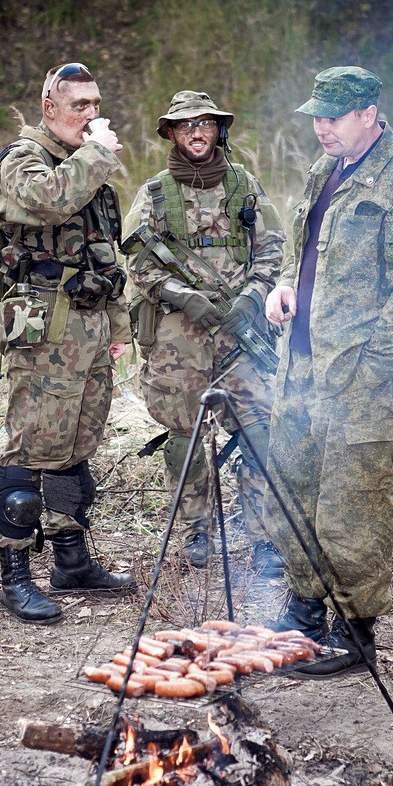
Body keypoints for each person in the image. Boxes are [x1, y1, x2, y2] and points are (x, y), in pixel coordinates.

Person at [263, 66, 393, 677]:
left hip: (358, 380)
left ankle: (353, 630)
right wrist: (284, 286)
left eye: (334, 116)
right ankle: (304, 611)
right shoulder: (325, 170)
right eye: (316, 116)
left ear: (368, 113)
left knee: (351, 510)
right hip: (302, 366)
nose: (322, 127)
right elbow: (303, 251)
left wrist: (372, 371)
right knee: (293, 490)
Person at [0, 62, 136, 624]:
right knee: (30, 447)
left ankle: (71, 561)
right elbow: (46, 201)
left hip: (90, 325)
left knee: (76, 443)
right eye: (79, 106)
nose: (91, 115)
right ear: (50, 108)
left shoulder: (85, 166)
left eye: (96, 105)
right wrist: (96, 154)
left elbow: (103, 254)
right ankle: (15, 575)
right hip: (43, 322)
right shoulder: (24, 160)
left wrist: (118, 327)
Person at [122, 91, 286, 575]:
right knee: (185, 437)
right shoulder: (155, 193)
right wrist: (181, 295)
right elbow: (137, 260)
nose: (196, 132)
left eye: (205, 124)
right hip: (179, 339)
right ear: (171, 134)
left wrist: (253, 295)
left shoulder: (244, 185)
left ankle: (263, 536)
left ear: (219, 131)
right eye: (185, 125)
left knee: (259, 430)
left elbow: (273, 247)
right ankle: (197, 530)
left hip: (241, 335)